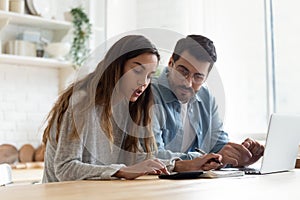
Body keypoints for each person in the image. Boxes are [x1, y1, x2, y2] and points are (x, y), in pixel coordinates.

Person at [42, 35, 222, 182]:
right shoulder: (82, 102)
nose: (143, 83)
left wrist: (183, 165)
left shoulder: (130, 107)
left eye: (149, 76)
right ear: (116, 65)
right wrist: (121, 171)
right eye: (137, 71)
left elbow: (136, 158)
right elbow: (64, 168)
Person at [152, 34, 264, 167]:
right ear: (171, 63)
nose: (188, 83)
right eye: (183, 71)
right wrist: (203, 158)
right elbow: (153, 155)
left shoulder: (206, 97)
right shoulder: (149, 95)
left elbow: (219, 146)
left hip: (196, 183)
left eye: (198, 77)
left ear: (206, 78)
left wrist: (240, 156)